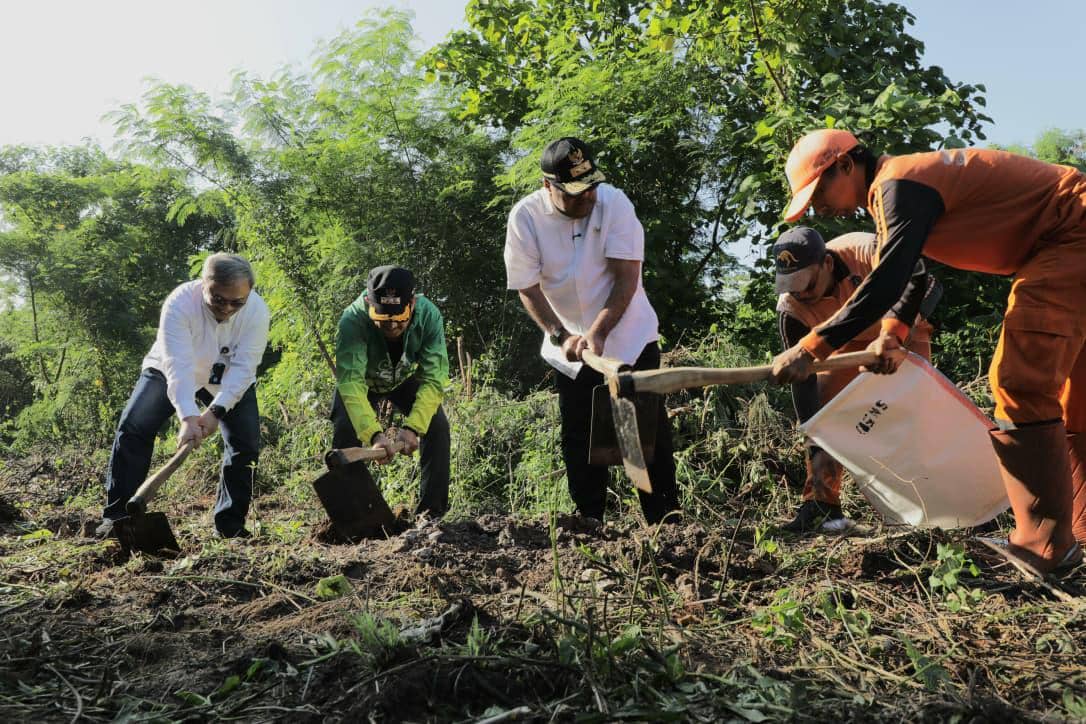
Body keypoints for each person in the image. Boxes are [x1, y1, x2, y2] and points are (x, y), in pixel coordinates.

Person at [771, 128, 1086, 573]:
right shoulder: (896, 191)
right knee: (1075, 395)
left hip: (1070, 235)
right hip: (1065, 239)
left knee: (1020, 382)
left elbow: (888, 280)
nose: (819, 207)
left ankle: (1044, 546)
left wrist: (812, 347)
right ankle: (1079, 532)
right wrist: (892, 334)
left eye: (819, 191)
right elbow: (910, 275)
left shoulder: (897, 185)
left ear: (846, 164)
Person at [504, 136, 679, 523]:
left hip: (630, 340)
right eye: (575, 192)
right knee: (581, 441)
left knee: (644, 438)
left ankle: (666, 527)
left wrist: (598, 332)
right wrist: (560, 335)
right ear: (547, 185)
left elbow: (626, 277)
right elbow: (527, 287)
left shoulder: (614, 203)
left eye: (590, 186)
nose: (587, 197)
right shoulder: (525, 218)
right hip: (570, 352)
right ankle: (590, 526)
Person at [772, 226, 935, 532]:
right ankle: (821, 506)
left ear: (827, 263)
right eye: (791, 287)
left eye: (807, 285)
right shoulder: (791, 311)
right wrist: (814, 428)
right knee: (827, 415)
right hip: (844, 347)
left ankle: (929, 506)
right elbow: (803, 380)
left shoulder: (865, 251)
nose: (800, 294)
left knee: (914, 414)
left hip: (902, 335)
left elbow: (927, 284)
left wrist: (897, 337)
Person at [97, 253, 270, 539]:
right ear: (203, 284)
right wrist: (188, 417)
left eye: (237, 302)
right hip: (170, 369)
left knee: (245, 444)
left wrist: (216, 411)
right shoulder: (179, 303)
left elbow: (244, 368)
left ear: (248, 292)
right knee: (134, 427)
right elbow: (177, 365)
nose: (227, 308)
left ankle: (230, 526)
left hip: (226, 377)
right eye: (218, 299)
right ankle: (117, 519)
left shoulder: (257, 311)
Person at [330, 265, 450, 517]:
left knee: (437, 425)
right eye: (383, 320)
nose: (393, 326)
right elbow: (351, 383)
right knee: (345, 427)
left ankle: (431, 514)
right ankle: (351, 516)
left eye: (399, 318)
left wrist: (413, 427)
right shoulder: (352, 320)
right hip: (363, 382)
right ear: (368, 303)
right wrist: (374, 434)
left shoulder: (429, 316)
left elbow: (434, 378)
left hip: (404, 379)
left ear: (412, 304)